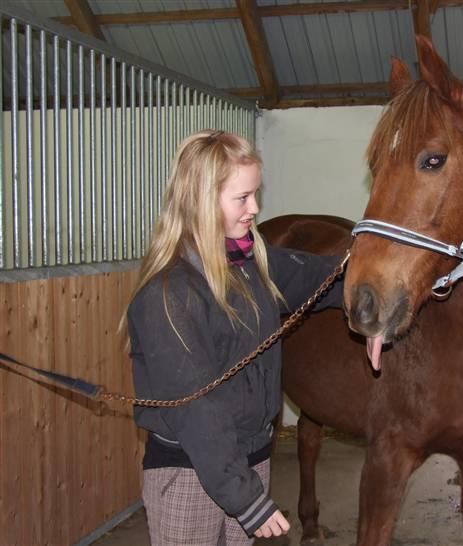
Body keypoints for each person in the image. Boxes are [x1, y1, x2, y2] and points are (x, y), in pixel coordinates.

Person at [122, 129, 343, 545]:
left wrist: (375, 286)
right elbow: (197, 409)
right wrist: (247, 500)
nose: (254, 208)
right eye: (242, 198)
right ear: (201, 202)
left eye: (254, 194)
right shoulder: (170, 293)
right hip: (190, 471)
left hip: (250, 461)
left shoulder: (250, 264)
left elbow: (320, 277)